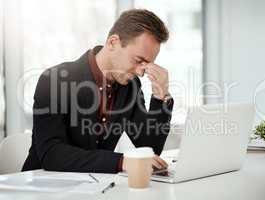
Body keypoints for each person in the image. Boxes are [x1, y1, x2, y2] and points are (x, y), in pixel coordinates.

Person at [22, 9, 174, 173]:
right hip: (42, 187)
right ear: (113, 43)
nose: (140, 72)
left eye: (146, 65)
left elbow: (149, 149)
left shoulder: (131, 86)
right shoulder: (54, 80)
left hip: (97, 188)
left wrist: (161, 96)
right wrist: (121, 162)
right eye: (138, 60)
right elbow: (52, 154)